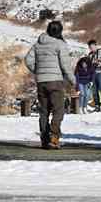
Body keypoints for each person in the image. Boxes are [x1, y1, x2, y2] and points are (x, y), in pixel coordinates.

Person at [24, 20, 74, 149]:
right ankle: (54, 136)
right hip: (56, 81)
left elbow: (27, 60)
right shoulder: (60, 44)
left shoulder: (37, 44)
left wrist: (38, 70)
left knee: (44, 111)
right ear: (60, 31)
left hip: (41, 81)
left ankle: (44, 139)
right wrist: (72, 80)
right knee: (58, 110)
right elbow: (65, 65)